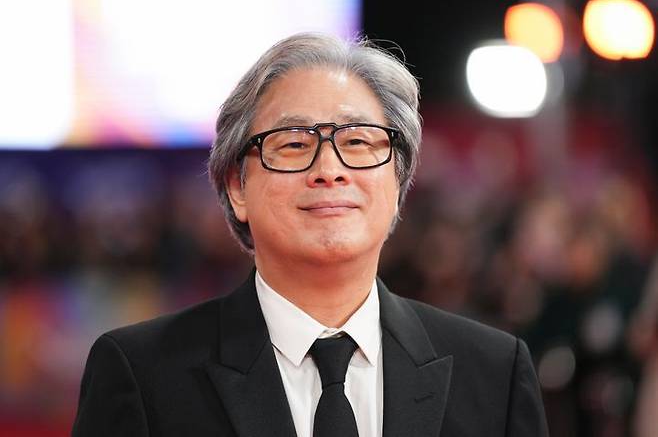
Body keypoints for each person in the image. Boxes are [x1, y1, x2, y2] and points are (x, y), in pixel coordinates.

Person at [72, 33, 549, 437]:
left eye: (358, 141)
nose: (329, 169)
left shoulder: (493, 371)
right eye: (295, 144)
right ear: (237, 187)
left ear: (398, 181)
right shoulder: (142, 373)